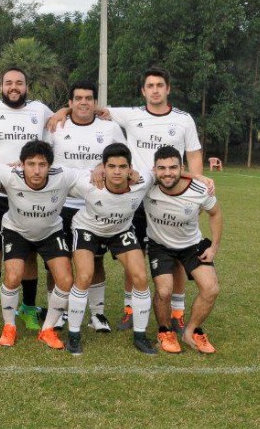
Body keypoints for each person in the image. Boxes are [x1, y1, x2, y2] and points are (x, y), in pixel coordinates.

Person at [49, 67, 207, 334]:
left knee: (176, 255)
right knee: (132, 254)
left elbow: (193, 154)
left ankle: (178, 312)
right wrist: (61, 112)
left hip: (166, 195)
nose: (155, 90)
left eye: (160, 85)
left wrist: (196, 185)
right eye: (150, 86)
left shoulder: (184, 119)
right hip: (130, 197)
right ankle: (129, 309)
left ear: (168, 89)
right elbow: (91, 109)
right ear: (143, 91)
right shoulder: (131, 115)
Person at [0, 66, 52, 330]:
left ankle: (27, 307)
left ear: (26, 86)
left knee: (28, 253)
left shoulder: (40, 110)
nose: (13, 87)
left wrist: (63, 111)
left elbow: (64, 118)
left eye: (19, 83)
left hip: (30, 194)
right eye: (8, 83)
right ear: (1, 87)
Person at [0, 140, 78, 351]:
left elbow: (90, 175)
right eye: (31, 164)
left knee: (66, 279)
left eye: (42, 165)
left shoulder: (63, 176)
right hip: (16, 231)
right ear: (21, 164)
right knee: (13, 275)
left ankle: (47, 329)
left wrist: (100, 170)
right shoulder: (9, 175)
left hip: (51, 232)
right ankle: (9, 326)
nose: (36, 170)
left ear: (50, 166)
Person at [65, 143, 155, 355]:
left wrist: (200, 177)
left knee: (140, 277)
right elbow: (57, 174)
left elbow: (167, 171)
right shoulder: (88, 182)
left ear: (130, 169)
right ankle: (74, 335)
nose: (117, 171)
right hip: (87, 228)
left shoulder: (141, 182)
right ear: (103, 167)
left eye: (122, 167)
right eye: (111, 166)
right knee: (85, 276)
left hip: (120, 231)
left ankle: (140, 336)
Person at [50, 81, 125, 332]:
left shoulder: (110, 128)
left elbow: (123, 157)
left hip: (96, 205)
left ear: (95, 103)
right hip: (61, 204)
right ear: (69, 103)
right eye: (78, 98)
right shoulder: (56, 126)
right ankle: (58, 312)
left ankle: (98, 314)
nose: (84, 102)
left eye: (89, 98)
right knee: (58, 259)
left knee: (96, 260)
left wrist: (105, 165)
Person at [144, 146, 223, 354]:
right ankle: (164, 331)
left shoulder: (199, 190)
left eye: (172, 167)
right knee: (164, 290)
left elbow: (215, 214)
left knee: (211, 288)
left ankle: (191, 331)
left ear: (182, 168)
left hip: (191, 245)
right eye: (161, 168)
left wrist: (214, 247)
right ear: (154, 169)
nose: (167, 172)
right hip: (159, 246)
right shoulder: (148, 184)